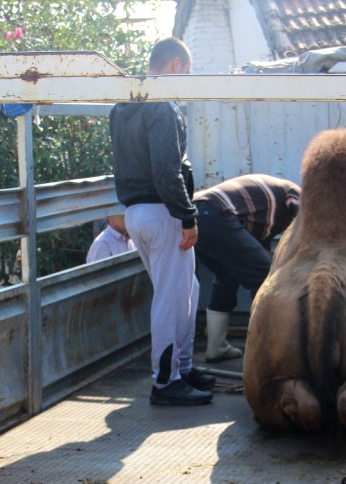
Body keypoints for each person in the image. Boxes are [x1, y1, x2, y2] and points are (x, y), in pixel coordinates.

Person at [109, 37, 214, 406]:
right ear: (174, 66)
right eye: (185, 72)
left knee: (188, 292)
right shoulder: (163, 107)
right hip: (163, 211)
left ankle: (182, 369)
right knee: (172, 300)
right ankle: (166, 381)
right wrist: (188, 216)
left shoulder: (123, 105)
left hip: (137, 213)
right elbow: (167, 170)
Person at [193, 174, 300, 363]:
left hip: (196, 216)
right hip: (216, 213)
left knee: (226, 277)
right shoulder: (298, 196)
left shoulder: (263, 215)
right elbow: (304, 238)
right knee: (267, 280)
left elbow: (258, 251)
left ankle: (216, 347)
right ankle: (268, 353)